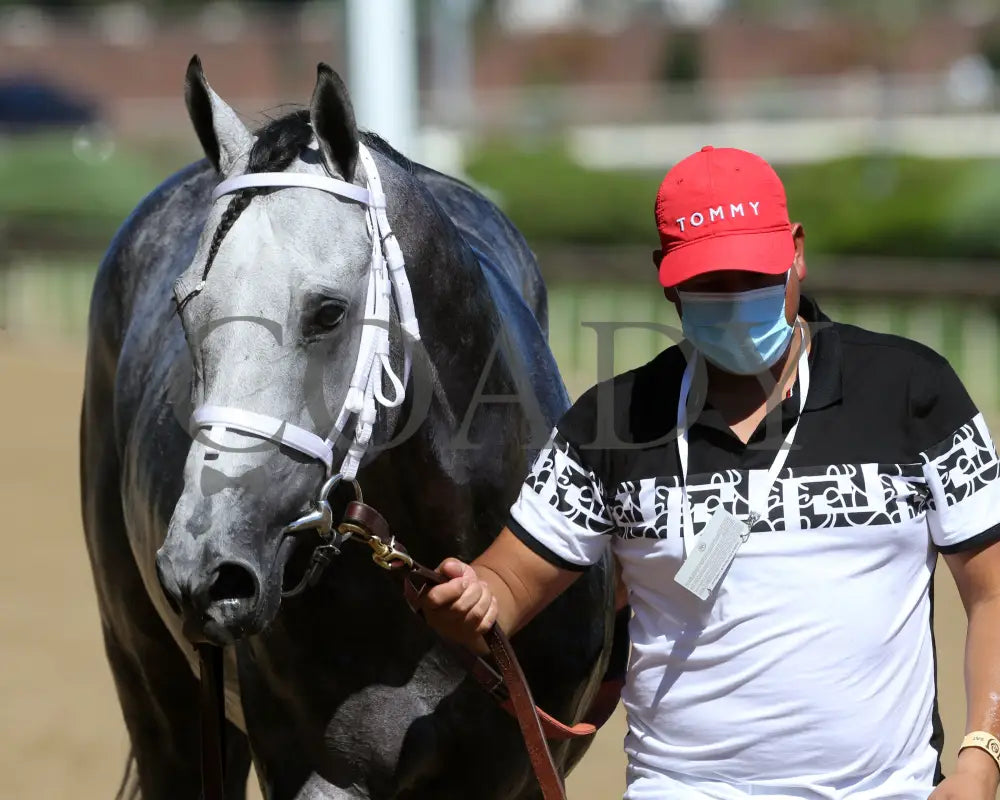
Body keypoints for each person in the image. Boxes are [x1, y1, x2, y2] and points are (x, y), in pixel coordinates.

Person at [421, 145, 1000, 800]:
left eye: (753, 277)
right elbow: (507, 581)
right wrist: (469, 598)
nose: (733, 303)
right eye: (708, 284)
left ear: (796, 252)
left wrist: (982, 755)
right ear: (665, 278)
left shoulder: (912, 391)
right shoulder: (611, 422)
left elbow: (993, 590)